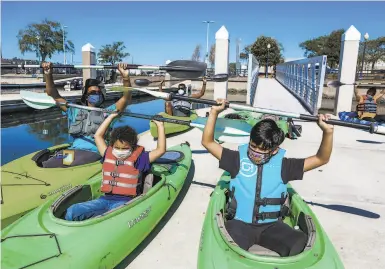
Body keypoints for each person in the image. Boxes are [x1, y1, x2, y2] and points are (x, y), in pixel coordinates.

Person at [201, 99, 334, 257]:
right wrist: (214, 113)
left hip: (272, 226)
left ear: (275, 150)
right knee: (227, 247)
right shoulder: (235, 160)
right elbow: (207, 142)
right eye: (253, 146)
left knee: (300, 243)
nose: (256, 152)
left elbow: (321, 159)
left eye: (262, 149)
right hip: (240, 225)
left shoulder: (286, 166)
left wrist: (328, 132)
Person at [65, 113, 166, 221]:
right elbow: (98, 136)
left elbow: (161, 150)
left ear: (132, 147)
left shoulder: (140, 158)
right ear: (112, 145)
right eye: (117, 147)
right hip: (104, 200)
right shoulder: (107, 152)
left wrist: (160, 126)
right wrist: (111, 117)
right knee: (72, 211)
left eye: (125, 148)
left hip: (125, 202)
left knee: (113, 217)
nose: (120, 151)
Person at [42, 62, 133, 168]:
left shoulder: (108, 112)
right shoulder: (73, 110)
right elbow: (53, 94)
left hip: (94, 152)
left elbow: (126, 98)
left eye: (98, 93)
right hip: (73, 151)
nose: (96, 95)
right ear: (86, 96)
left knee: (69, 164)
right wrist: (48, 74)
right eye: (93, 93)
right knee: (49, 163)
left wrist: (125, 77)